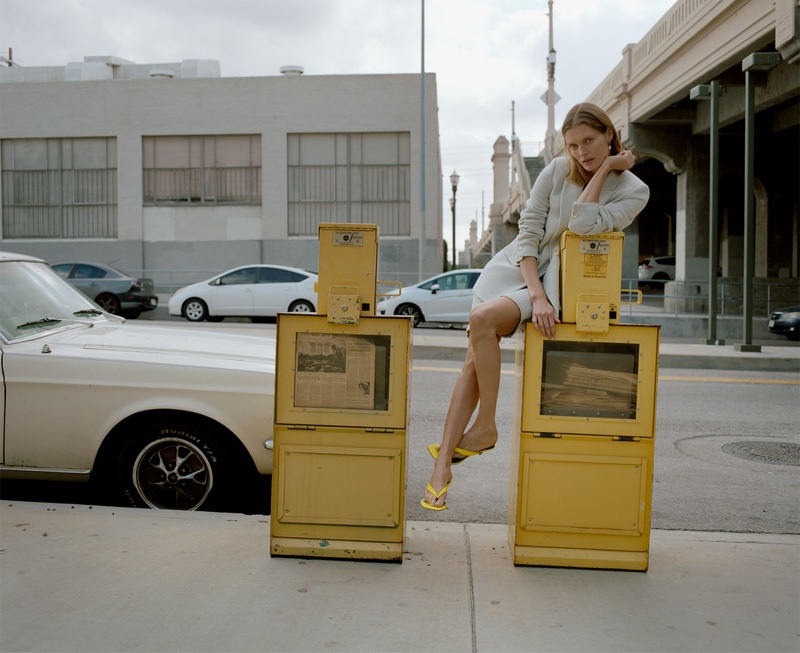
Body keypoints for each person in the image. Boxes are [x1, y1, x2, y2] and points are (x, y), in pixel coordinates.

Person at [421, 102, 650, 511]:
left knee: (481, 323)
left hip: (562, 283)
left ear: (609, 136)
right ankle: (443, 466)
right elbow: (527, 236)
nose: (581, 152)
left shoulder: (635, 190)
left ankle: (482, 430)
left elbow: (582, 225)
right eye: (573, 145)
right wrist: (536, 296)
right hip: (516, 273)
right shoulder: (555, 170)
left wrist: (604, 170)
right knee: (473, 359)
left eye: (590, 142)